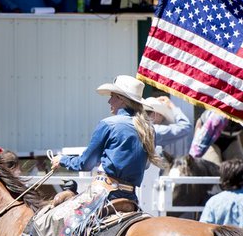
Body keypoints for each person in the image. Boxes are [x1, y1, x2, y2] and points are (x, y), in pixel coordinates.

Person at [51, 75, 164, 213]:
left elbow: (85, 164)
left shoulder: (108, 124)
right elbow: (144, 165)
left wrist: (62, 160)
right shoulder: (148, 129)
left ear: (121, 99)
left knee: (55, 220)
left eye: (112, 96)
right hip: (130, 197)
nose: (109, 101)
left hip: (105, 194)